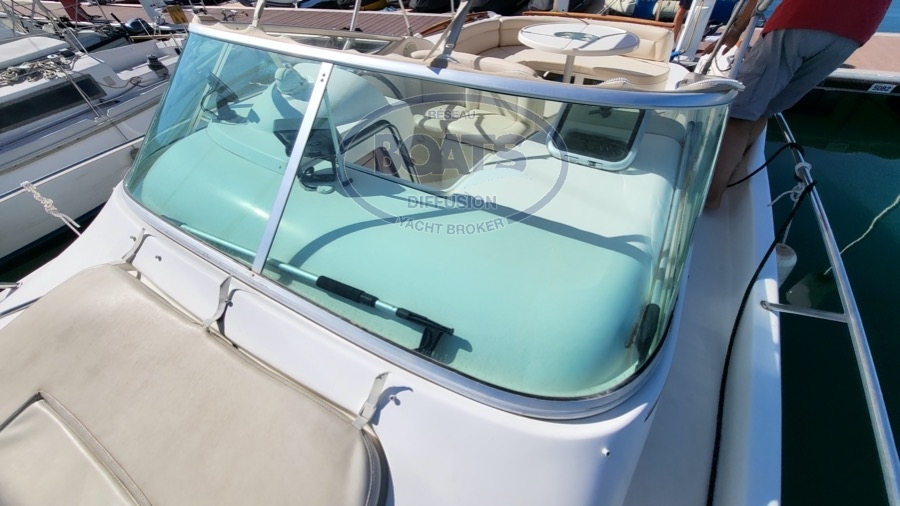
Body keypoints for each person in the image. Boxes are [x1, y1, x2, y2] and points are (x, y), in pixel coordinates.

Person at [704, 0, 892, 210]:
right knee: (764, 110)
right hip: (852, 35)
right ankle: (728, 178)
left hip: (802, 18)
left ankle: (710, 196)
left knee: (739, 114)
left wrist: (735, 29)